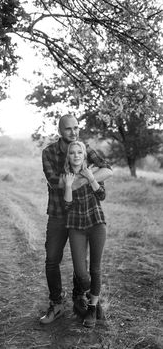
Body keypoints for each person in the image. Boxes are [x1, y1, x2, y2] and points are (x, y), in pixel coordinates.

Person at [40, 114, 112, 324]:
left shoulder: (83, 147)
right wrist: (86, 177)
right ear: (60, 131)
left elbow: (107, 169)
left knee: (83, 265)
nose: (74, 132)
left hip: (80, 215)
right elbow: (56, 183)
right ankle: (56, 304)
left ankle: (81, 297)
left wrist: (81, 178)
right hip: (58, 214)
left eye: (76, 127)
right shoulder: (49, 152)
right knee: (52, 260)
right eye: (69, 129)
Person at [62, 140, 107, 328]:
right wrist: (68, 186)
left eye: (79, 152)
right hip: (76, 226)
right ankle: (91, 292)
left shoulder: (93, 171)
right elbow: (67, 206)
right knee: (81, 273)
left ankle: (92, 308)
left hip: (96, 223)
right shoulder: (66, 176)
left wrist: (91, 178)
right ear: (68, 156)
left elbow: (102, 195)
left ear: (84, 155)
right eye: (72, 152)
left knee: (95, 269)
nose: (76, 155)